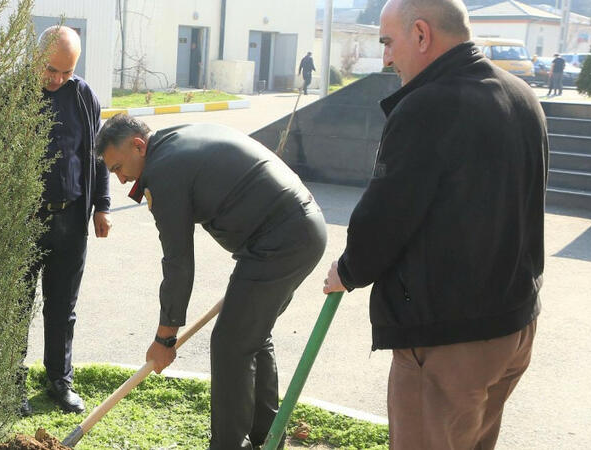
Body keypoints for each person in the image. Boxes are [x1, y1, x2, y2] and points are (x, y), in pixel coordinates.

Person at [322, 0, 547, 448]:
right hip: (513, 326)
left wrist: (347, 271)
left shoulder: (428, 105)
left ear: (421, 35)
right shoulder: (521, 94)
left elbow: (387, 214)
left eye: (388, 42)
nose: (386, 57)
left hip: (450, 337)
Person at [96, 114, 327, 449]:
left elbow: (177, 262)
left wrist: (165, 338)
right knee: (250, 337)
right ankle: (267, 438)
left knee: (230, 343)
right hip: (296, 230)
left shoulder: (163, 170)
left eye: (118, 167)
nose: (119, 180)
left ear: (137, 145)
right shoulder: (173, 141)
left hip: (280, 240)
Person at [16, 26, 111, 416]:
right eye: (51, 70)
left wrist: (102, 205)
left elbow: (99, 152)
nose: (57, 79)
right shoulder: (12, 94)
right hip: (20, 221)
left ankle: (59, 379)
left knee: (62, 307)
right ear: (37, 58)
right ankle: (10, 384)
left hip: (71, 219)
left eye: (65, 73)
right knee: (16, 306)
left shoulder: (83, 94)